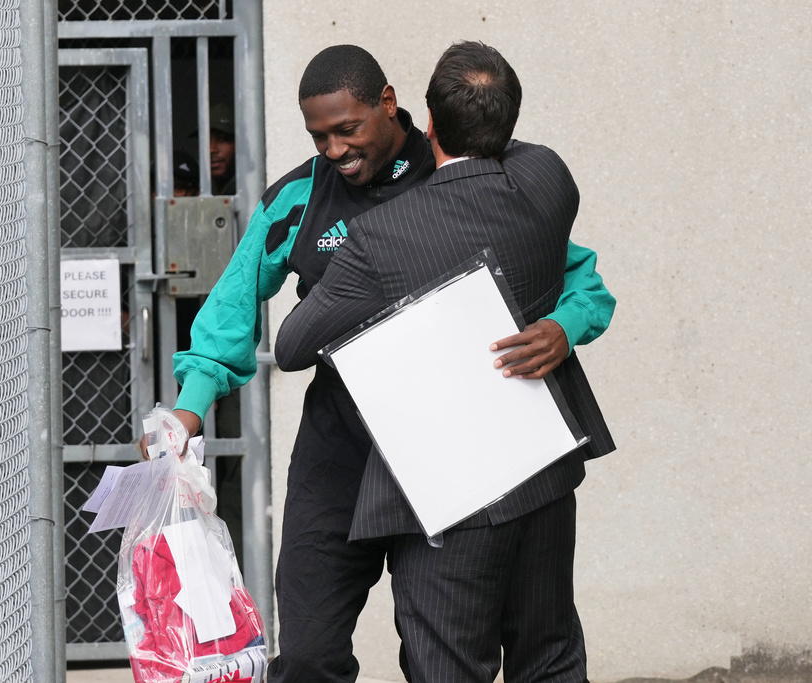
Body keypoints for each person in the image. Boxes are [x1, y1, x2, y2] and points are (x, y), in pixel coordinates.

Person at [169, 45, 615, 682]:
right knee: (308, 654)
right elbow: (234, 305)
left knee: (437, 652)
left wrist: (564, 328)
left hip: (443, 457)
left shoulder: (465, 171)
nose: (333, 150)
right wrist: (192, 403)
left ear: (388, 103)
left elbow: (580, 281)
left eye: (346, 129)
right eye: (318, 136)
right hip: (342, 450)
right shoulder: (296, 199)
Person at [208, 103, 236, 195]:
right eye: (206, 140)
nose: (212, 149)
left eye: (222, 139)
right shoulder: (205, 187)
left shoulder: (249, 190)